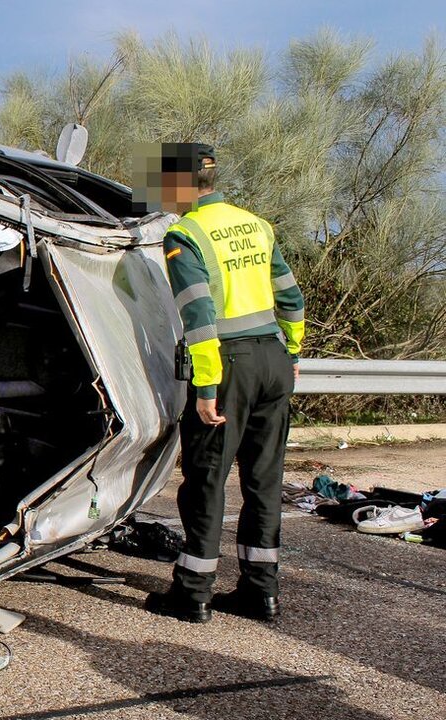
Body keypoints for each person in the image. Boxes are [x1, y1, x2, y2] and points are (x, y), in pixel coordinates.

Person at [143, 143, 305, 623]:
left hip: (228, 365)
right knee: (264, 480)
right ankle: (261, 593)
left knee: (208, 479)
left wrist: (208, 387)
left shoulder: (184, 235)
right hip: (274, 359)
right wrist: (292, 350)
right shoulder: (258, 225)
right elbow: (290, 296)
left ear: (178, 185)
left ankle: (192, 594)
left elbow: (199, 317)